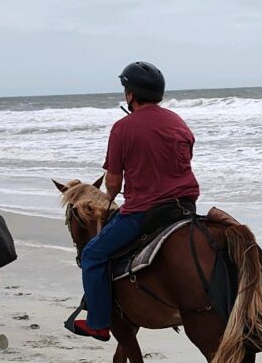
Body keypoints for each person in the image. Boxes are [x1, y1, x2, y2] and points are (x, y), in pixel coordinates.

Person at [67, 61, 201, 341]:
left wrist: (110, 199)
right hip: (186, 208)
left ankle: (99, 323)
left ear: (131, 95)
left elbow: (113, 183)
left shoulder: (123, 128)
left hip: (145, 212)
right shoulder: (178, 121)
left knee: (93, 254)